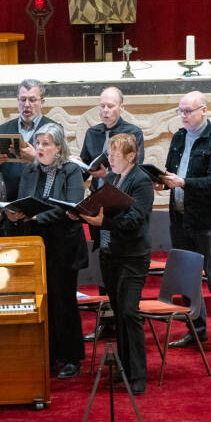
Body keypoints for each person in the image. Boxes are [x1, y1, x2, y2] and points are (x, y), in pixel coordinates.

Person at [6, 122, 88, 379]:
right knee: (44, 301)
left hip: (64, 246)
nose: (40, 148)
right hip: (38, 244)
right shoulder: (30, 170)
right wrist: (16, 213)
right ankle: (49, 354)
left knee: (64, 302)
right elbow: (24, 200)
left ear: (58, 147)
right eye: (38, 143)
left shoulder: (71, 171)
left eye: (46, 144)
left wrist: (38, 217)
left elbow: (71, 205)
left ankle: (71, 357)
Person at [158, 91, 211, 357]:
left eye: (188, 111)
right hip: (180, 219)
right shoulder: (179, 137)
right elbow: (171, 171)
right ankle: (196, 329)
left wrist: (183, 183)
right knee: (188, 279)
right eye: (180, 111)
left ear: (204, 110)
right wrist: (161, 182)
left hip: (207, 220)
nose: (183, 115)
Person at [77, 134, 154, 395]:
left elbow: (135, 219)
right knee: (119, 312)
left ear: (131, 156)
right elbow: (101, 210)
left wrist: (103, 222)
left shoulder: (141, 181)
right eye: (108, 154)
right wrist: (83, 213)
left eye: (114, 154)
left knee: (130, 313)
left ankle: (139, 375)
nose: (109, 159)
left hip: (133, 256)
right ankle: (124, 369)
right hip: (110, 255)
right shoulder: (110, 178)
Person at [77, 86, 145, 342]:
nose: (105, 110)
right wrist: (79, 168)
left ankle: (123, 319)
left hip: (120, 206)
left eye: (110, 106)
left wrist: (109, 175)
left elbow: (135, 169)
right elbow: (85, 168)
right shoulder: (92, 133)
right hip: (98, 205)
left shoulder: (132, 132)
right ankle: (106, 322)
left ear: (121, 107)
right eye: (102, 106)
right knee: (103, 258)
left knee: (118, 260)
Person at [0, 79, 58, 201]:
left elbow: (62, 168)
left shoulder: (54, 129)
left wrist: (37, 158)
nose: (27, 104)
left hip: (41, 200)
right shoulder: (3, 129)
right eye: (23, 99)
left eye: (32, 100)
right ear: (18, 101)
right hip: (8, 200)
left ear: (42, 102)